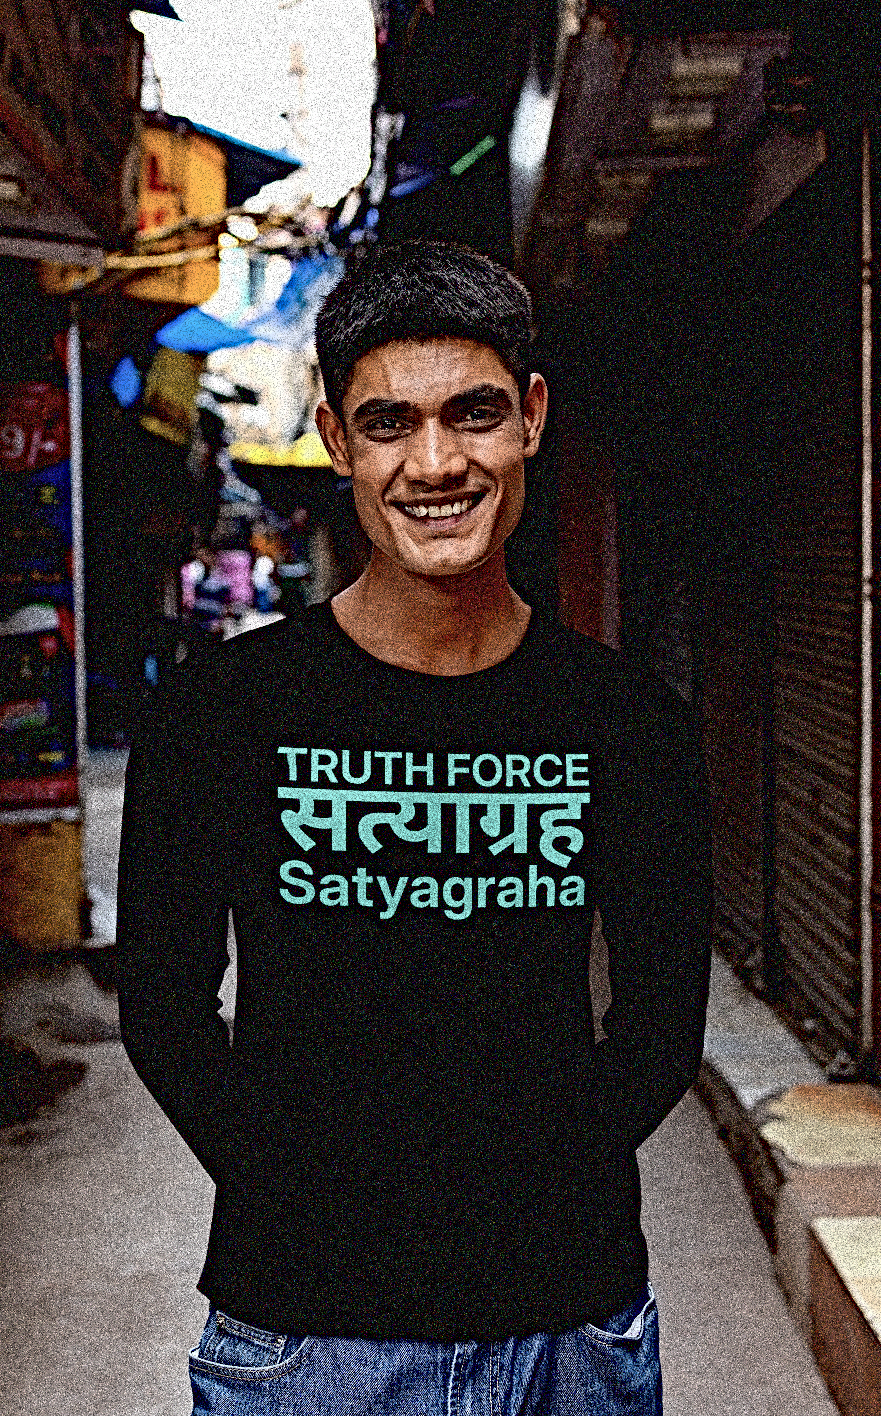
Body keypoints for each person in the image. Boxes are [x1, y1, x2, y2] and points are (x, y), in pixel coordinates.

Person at [116, 239, 712, 1415]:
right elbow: (164, 1006)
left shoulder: (628, 725)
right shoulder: (222, 715)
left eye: (472, 414)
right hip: (305, 1337)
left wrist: (547, 1189)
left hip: (570, 1331)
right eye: (388, 423)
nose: (433, 464)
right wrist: (304, 1197)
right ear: (337, 440)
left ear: (531, 419)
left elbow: (659, 1025)